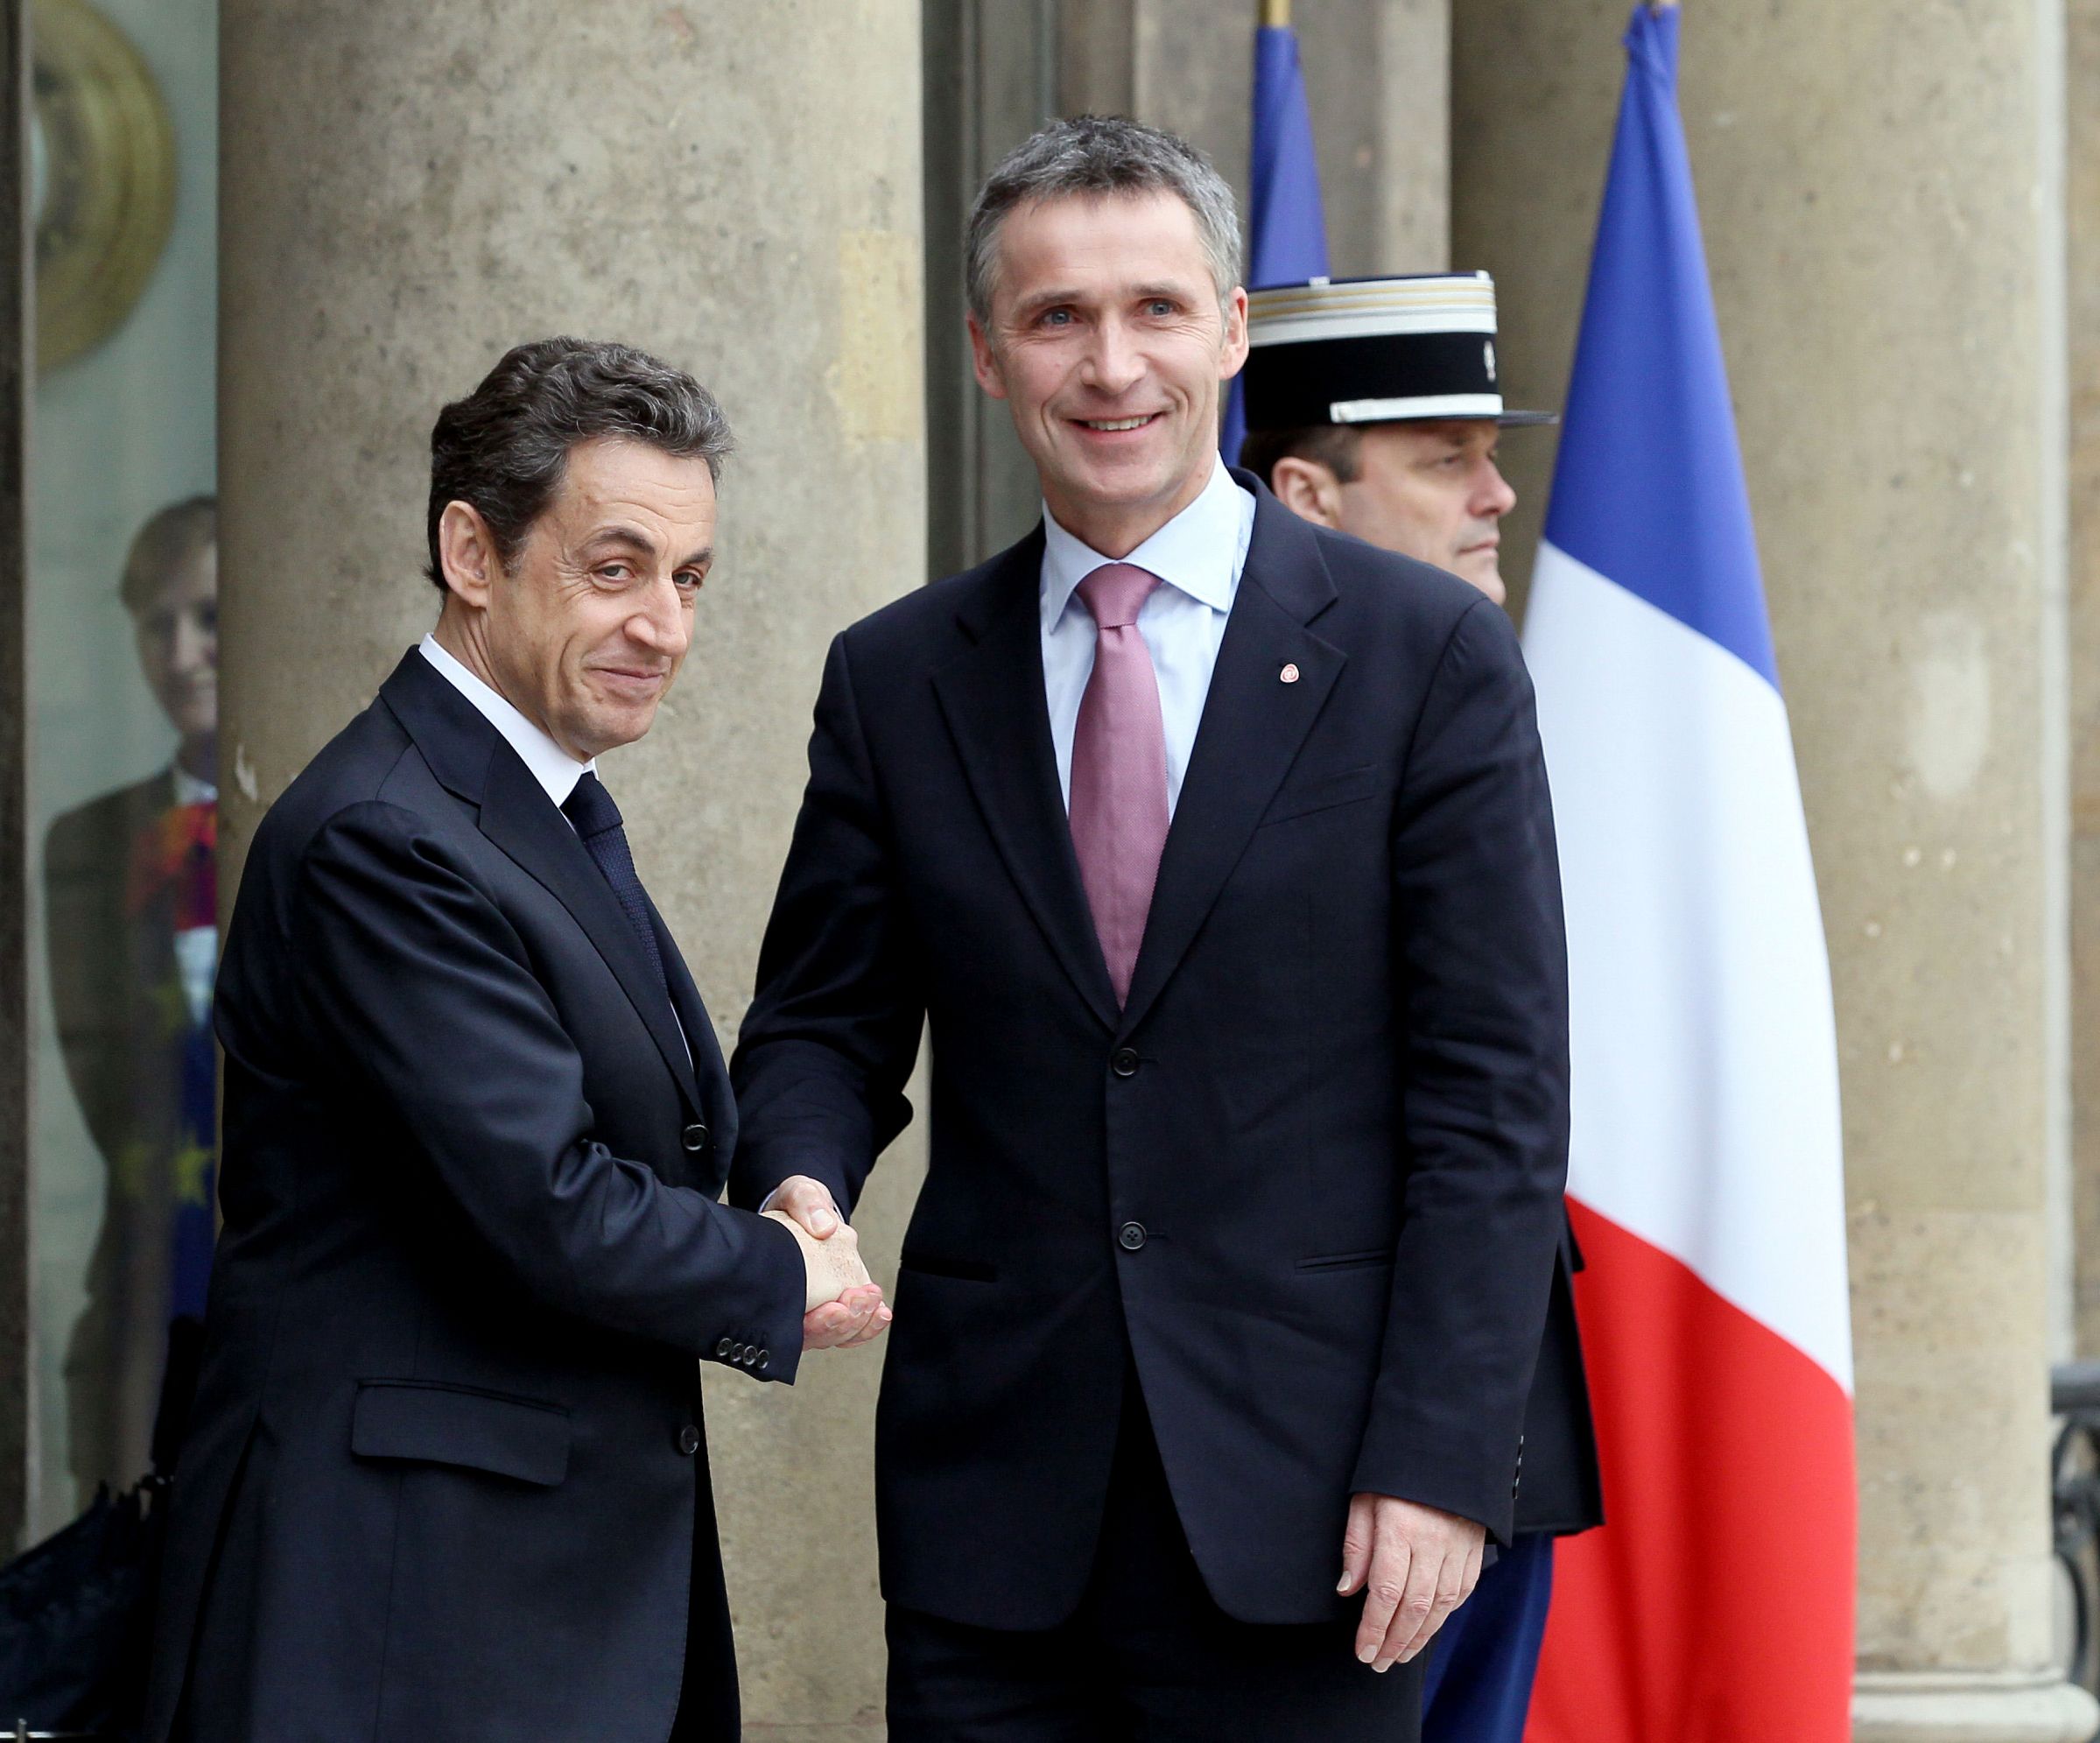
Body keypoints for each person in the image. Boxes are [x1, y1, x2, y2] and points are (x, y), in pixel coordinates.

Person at [733, 119, 1570, 1742]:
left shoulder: (1424, 659)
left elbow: (1493, 1099)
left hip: (1320, 1514)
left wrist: (1439, 1457)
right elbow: (823, 1022)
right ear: (987, 353)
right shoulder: (896, 676)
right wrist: (796, 1181)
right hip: (993, 1516)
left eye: (1155, 310)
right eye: (1056, 316)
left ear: (1230, 330)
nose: (1110, 366)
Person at [144, 338, 888, 1743]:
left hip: (523, 1602)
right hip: (403, 1613)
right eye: (613, 568)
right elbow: (546, 1199)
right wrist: (779, 1271)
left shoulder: (527, 806)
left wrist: (782, 1187)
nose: (662, 626)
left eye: (689, 579)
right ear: (470, 553)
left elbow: (650, 1137)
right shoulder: (386, 833)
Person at [1240, 273, 1605, 1743]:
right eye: (1444, 458)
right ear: (1303, 493)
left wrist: (1450, 1449)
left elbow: (1501, 1095)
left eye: (1489, 453)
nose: (1494, 493)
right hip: (1270, 1446)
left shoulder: (1469, 683)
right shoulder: (1189, 717)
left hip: (1474, 1427)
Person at [46, 496, 221, 1504]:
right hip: (141, 1305)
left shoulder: (335, 820)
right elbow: (105, 1090)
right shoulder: (87, 841)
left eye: (209, 617)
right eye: (158, 626)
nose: (183, 654)